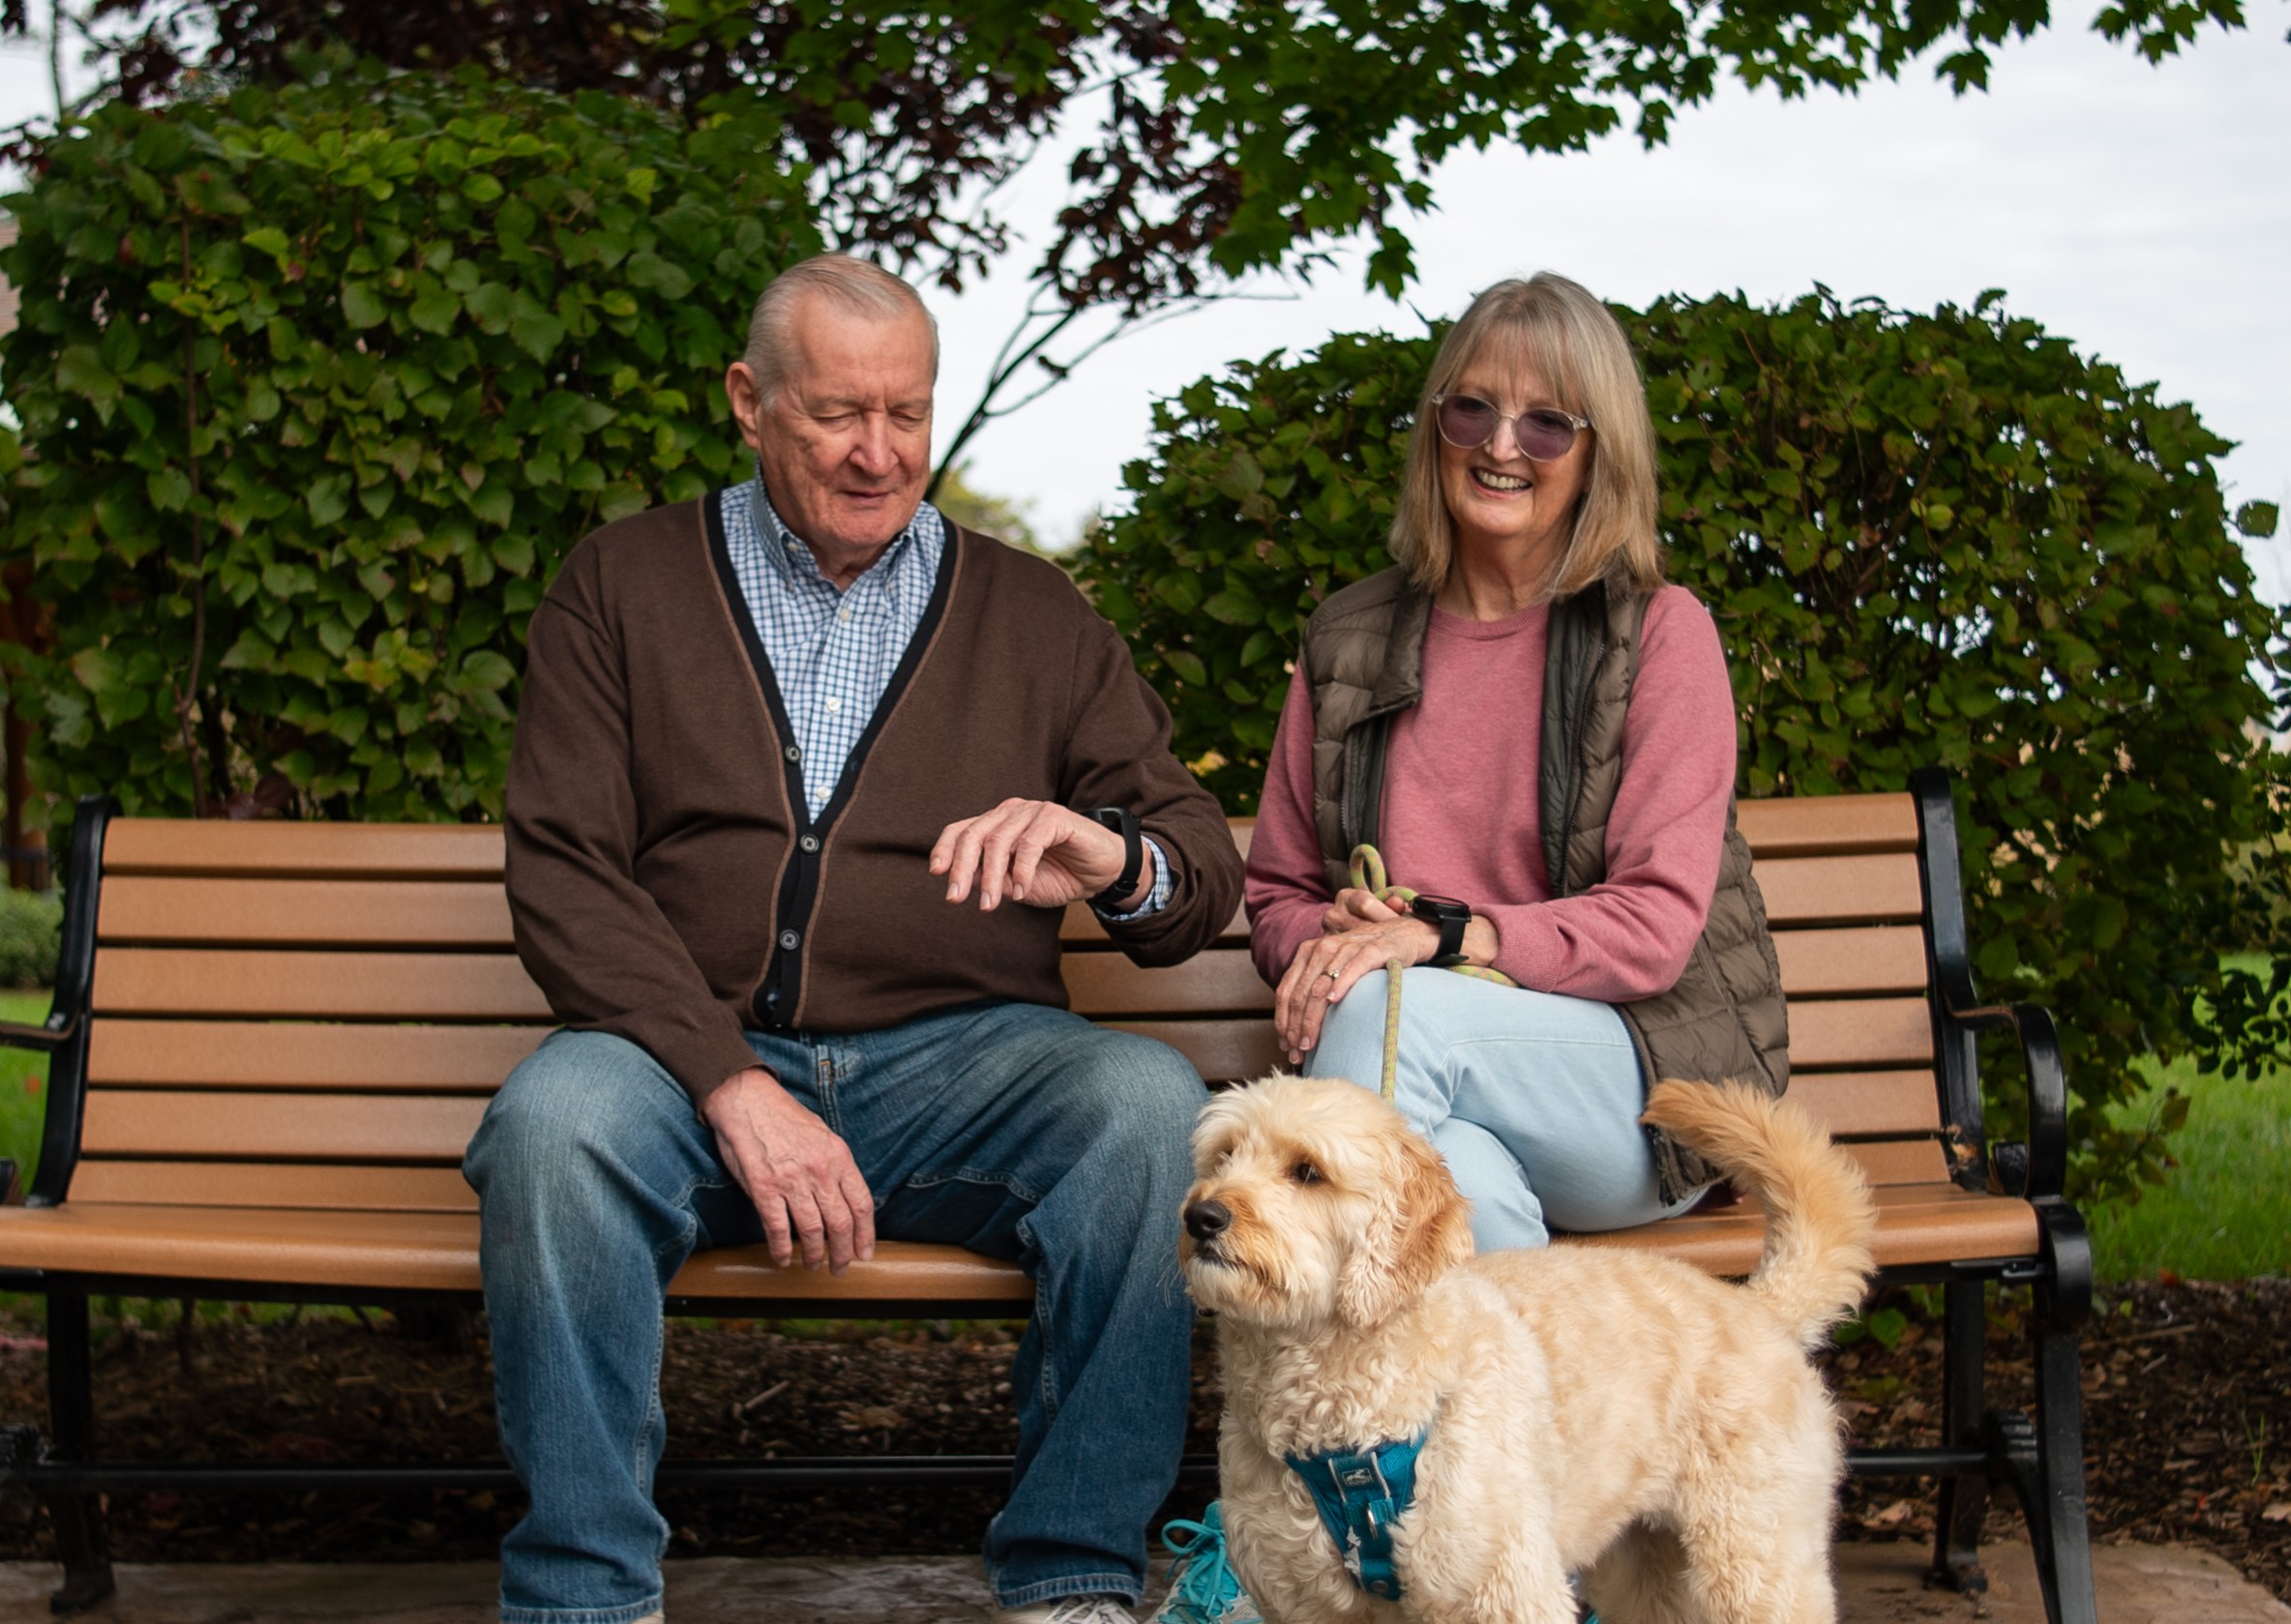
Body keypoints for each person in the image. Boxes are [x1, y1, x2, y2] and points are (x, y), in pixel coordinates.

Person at [468, 252, 1243, 1624]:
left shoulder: (1034, 616)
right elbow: (566, 870)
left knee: (1144, 1108)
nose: (880, 452)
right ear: (747, 401)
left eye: (909, 412)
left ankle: (1072, 1576)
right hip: (686, 1068)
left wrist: (1107, 852)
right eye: (837, 413)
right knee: (552, 1118)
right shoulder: (624, 583)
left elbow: (1194, 879)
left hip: (965, 1062)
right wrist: (731, 1079)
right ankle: (585, 1595)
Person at [1243, 271, 1789, 1255]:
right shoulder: (1348, 636)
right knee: (1458, 1207)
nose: (1500, 446)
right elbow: (1278, 889)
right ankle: (1489, 1415)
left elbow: (1656, 925)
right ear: (1434, 427)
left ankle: (1319, 1406)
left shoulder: (1657, 633)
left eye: (1545, 423)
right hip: (1422, 1074)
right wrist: (1334, 939)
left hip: (1637, 1078)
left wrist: (1438, 938)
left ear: (1596, 453)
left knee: (1390, 1018)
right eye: (1472, 410)